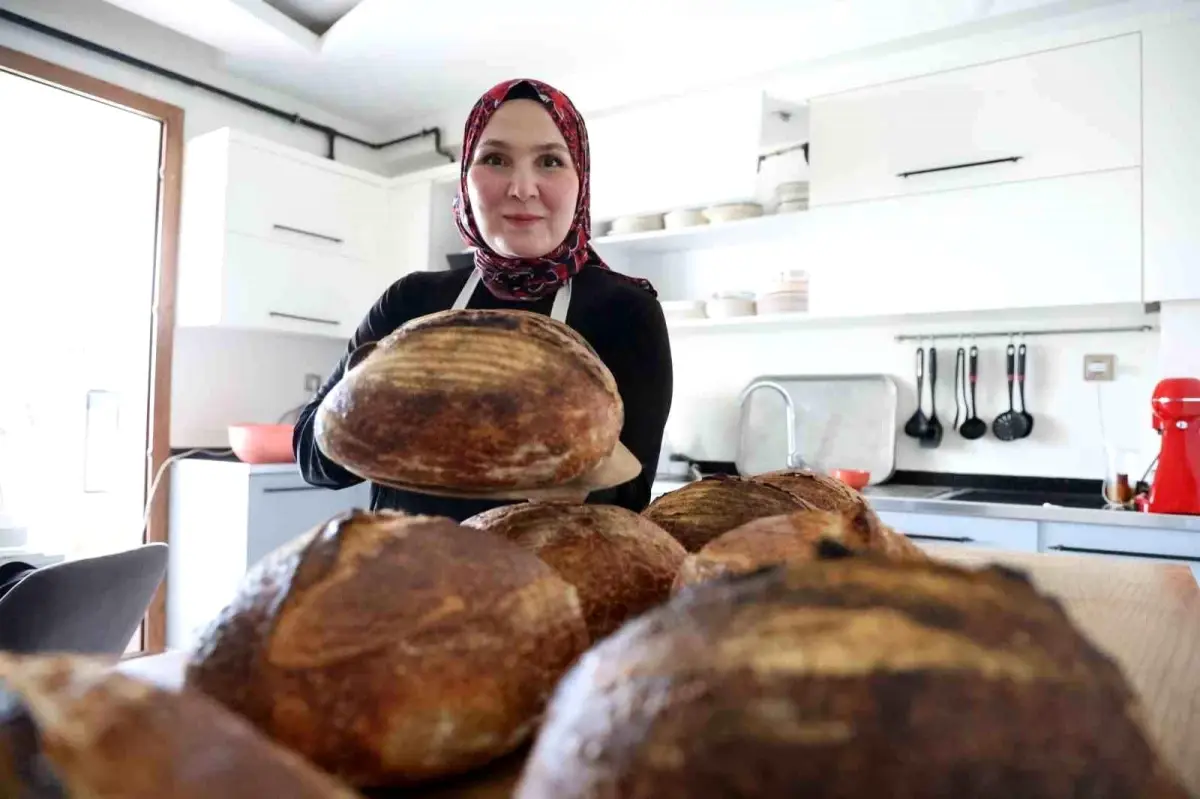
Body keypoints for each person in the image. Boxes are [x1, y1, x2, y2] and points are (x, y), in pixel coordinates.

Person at [293, 78, 673, 522]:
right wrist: (380, 410)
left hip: (552, 583)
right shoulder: (411, 300)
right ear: (465, 179)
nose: (522, 188)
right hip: (406, 577)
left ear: (580, 179)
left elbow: (629, 499)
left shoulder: (626, 312)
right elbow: (312, 457)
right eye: (495, 159)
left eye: (550, 161)